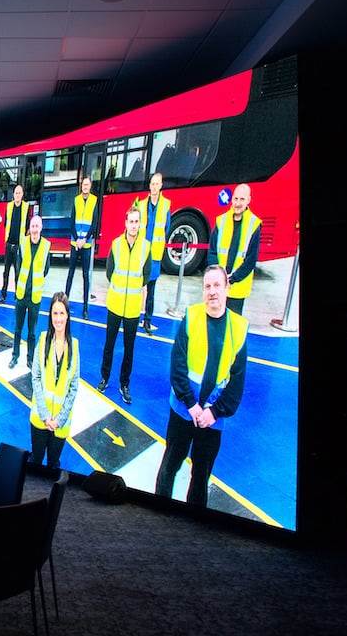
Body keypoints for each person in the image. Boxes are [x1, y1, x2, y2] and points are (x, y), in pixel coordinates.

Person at [154, 264, 248, 508]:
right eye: (207, 286)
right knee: (169, 466)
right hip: (183, 412)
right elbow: (177, 368)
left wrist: (213, 412)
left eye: (217, 285)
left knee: (200, 477)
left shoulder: (238, 330)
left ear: (227, 288)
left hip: (212, 420)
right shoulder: (191, 318)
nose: (212, 291)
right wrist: (192, 404)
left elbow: (236, 384)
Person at [98, 207, 150, 405]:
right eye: (131, 222)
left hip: (133, 308)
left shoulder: (146, 247)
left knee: (129, 349)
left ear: (140, 224)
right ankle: (104, 378)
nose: (134, 225)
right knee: (109, 345)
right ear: (126, 223)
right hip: (115, 304)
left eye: (137, 222)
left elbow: (146, 276)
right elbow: (109, 272)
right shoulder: (116, 244)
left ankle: (124, 384)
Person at [29, 291, 79, 470]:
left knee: (53, 465)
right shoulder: (43, 341)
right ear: (50, 315)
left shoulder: (74, 346)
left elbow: (73, 387)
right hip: (40, 418)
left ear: (67, 315)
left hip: (61, 423)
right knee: (36, 461)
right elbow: (35, 377)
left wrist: (60, 419)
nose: (58, 318)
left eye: (62, 313)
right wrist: (45, 416)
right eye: (55, 313)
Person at [207, 183, 261, 315]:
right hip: (218, 286)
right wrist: (219, 276)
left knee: (232, 324)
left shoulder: (254, 224)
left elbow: (251, 260)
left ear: (248, 200)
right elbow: (212, 251)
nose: (237, 203)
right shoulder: (221, 220)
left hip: (237, 289)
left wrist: (232, 279)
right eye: (236, 199)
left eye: (242, 199)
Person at [9, 215, 50, 370]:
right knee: (17, 329)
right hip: (21, 295)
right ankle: (15, 356)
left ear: (41, 228)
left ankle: (30, 358)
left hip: (35, 297)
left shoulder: (46, 246)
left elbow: (46, 269)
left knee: (32, 332)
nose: (34, 229)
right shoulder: (23, 243)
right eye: (32, 226)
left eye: (37, 226)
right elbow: (18, 266)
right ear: (29, 228)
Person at [135, 172, 171, 334]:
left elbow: (166, 228)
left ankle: (147, 320)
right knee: (137, 286)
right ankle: (134, 316)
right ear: (149, 186)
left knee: (151, 290)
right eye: (152, 184)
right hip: (141, 253)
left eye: (157, 184)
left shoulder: (166, 205)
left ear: (161, 185)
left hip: (155, 255)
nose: (155, 186)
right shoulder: (142, 204)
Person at [63, 175, 98, 319]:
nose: (85, 187)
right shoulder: (76, 200)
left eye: (87, 184)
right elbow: (71, 222)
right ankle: (65, 302)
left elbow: (94, 223)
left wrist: (85, 239)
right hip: (75, 243)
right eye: (84, 184)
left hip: (86, 244)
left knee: (85, 276)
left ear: (90, 186)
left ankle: (85, 308)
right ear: (81, 186)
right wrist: (77, 239)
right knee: (70, 273)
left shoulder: (94, 200)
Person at [0, 183, 28, 304]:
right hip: (9, 244)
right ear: (13, 194)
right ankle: (3, 295)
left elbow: (27, 226)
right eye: (16, 193)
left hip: (19, 246)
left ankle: (18, 295)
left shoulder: (25, 208)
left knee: (18, 272)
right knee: (6, 272)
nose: (17, 195)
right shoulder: (9, 207)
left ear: (22, 194)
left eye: (19, 193)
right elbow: (6, 223)